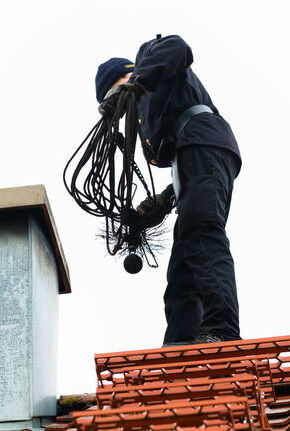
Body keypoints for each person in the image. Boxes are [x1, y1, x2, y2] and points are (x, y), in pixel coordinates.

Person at [95, 34, 242, 346]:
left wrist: (137, 83)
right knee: (181, 269)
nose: (123, 109)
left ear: (124, 77)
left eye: (115, 95)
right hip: (195, 156)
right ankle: (180, 346)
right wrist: (163, 201)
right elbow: (191, 165)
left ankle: (222, 330)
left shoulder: (149, 59)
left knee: (202, 234)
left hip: (204, 141)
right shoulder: (153, 118)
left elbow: (179, 46)